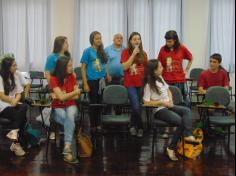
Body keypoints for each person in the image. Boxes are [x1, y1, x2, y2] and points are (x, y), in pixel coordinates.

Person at [143, 59, 198, 161]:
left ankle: (188, 135)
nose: (162, 68)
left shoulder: (160, 78)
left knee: (187, 110)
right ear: (154, 70)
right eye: (160, 67)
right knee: (181, 121)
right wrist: (162, 103)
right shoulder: (148, 85)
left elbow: (168, 90)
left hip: (169, 105)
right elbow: (146, 102)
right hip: (159, 110)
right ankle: (171, 148)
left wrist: (171, 100)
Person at [51, 56, 80, 164]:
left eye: (71, 65)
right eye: (69, 65)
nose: (71, 67)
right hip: (57, 108)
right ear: (62, 67)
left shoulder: (72, 76)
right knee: (70, 120)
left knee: (70, 115)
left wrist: (63, 96)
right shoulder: (53, 79)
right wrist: (75, 92)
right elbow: (64, 98)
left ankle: (67, 148)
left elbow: (73, 98)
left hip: (71, 106)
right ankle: (68, 150)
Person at [81, 31, 112, 133]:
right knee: (93, 103)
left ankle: (99, 124)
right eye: (97, 38)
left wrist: (107, 75)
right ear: (92, 40)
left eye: (100, 38)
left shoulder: (102, 51)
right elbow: (83, 68)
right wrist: (85, 83)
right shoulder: (87, 51)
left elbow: (105, 65)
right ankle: (93, 125)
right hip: (91, 81)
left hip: (102, 81)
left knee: (100, 103)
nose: (99, 40)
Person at [121, 32, 148, 138]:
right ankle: (140, 127)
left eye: (138, 39)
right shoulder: (125, 52)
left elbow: (146, 69)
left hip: (141, 84)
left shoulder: (144, 53)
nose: (137, 41)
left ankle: (132, 125)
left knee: (137, 107)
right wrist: (133, 55)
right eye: (134, 39)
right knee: (136, 107)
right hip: (130, 84)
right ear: (130, 41)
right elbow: (125, 67)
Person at [0, 57, 28, 156]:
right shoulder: (0, 77)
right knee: (21, 116)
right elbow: (2, 96)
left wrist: (15, 100)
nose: (16, 67)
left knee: (24, 107)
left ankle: (15, 138)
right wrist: (13, 101)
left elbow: (19, 92)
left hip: (13, 104)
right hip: (3, 106)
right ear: (7, 67)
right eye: (14, 65)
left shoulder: (14, 75)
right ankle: (17, 143)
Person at [157, 30, 193, 107]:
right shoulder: (162, 49)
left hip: (179, 80)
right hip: (166, 79)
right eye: (166, 41)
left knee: (179, 101)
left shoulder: (182, 48)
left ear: (175, 40)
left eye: (170, 41)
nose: (167, 43)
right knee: (168, 100)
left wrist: (186, 70)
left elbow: (191, 58)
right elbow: (159, 63)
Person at [44, 36, 70, 140]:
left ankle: (64, 128)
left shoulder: (67, 56)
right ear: (60, 44)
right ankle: (52, 131)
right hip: (56, 87)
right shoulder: (51, 57)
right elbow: (47, 73)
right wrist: (53, 87)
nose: (68, 45)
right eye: (66, 43)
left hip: (66, 87)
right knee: (55, 108)